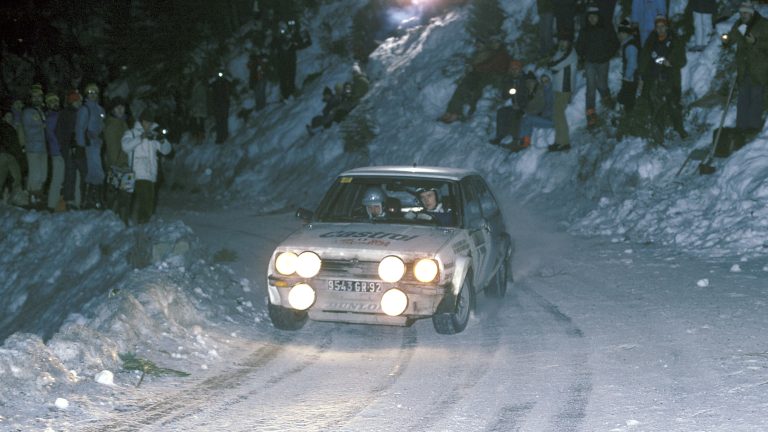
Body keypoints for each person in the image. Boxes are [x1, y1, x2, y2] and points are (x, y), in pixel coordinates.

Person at [638, 15, 688, 144]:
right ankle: (658, 137)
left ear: (666, 27)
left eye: (662, 26)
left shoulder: (675, 40)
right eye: (658, 27)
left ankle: (679, 129)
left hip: (671, 79)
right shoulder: (651, 41)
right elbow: (644, 60)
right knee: (657, 108)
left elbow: (682, 60)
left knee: (674, 105)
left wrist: (670, 61)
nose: (660, 29)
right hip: (654, 79)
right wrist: (642, 77)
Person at [439, 38, 511, 123]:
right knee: (464, 88)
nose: (494, 44)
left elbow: (489, 66)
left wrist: (476, 68)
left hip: (488, 77)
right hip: (481, 75)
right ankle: (452, 112)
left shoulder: (499, 54)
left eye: (496, 42)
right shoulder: (488, 53)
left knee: (469, 90)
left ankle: (456, 113)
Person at [121, 109, 172, 225]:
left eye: (149, 122)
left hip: (151, 173)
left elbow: (167, 151)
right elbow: (125, 146)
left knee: (147, 200)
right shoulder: (131, 133)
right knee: (146, 200)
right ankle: (143, 223)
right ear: (140, 121)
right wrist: (140, 138)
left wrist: (162, 140)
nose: (147, 124)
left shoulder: (154, 135)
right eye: (145, 121)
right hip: (137, 172)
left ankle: (138, 222)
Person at [724, 1, 768, 135]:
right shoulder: (739, 24)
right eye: (741, 12)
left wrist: (755, 42)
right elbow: (731, 38)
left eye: (745, 13)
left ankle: (753, 127)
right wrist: (726, 40)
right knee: (742, 98)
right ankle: (741, 127)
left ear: (751, 13)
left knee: (756, 98)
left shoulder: (763, 24)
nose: (743, 15)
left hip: (759, 68)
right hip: (744, 68)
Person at [576, 5, 619, 129]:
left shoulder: (606, 28)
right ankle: (590, 113)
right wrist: (582, 57)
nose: (592, 19)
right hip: (589, 62)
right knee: (591, 88)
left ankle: (607, 98)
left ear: (598, 17)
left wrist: (608, 54)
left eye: (594, 17)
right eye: (590, 17)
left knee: (602, 84)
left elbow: (615, 43)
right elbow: (579, 45)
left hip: (603, 62)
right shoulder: (585, 30)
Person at [76, 82, 106, 209]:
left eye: (95, 92)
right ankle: (93, 199)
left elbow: (103, 125)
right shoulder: (84, 109)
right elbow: (79, 128)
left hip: (98, 144)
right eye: (90, 92)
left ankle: (92, 199)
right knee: (96, 171)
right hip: (89, 144)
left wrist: (102, 138)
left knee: (95, 171)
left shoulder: (100, 109)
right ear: (86, 95)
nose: (93, 95)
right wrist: (81, 146)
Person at [548, 35, 578, 151]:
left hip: (565, 88)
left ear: (569, 42)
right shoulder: (560, 51)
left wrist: (552, 65)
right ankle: (558, 141)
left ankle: (564, 142)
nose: (562, 43)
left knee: (559, 115)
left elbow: (555, 65)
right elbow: (553, 63)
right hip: (557, 87)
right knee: (557, 115)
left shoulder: (571, 53)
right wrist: (552, 65)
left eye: (565, 41)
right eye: (561, 40)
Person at [489, 60, 528, 146]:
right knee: (502, 112)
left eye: (516, 69)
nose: (514, 71)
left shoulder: (525, 80)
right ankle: (500, 136)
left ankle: (515, 139)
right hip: (514, 105)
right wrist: (508, 91)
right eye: (512, 69)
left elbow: (528, 96)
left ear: (520, 69)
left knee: (516, 116)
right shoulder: (509, 80)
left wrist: (521, 106)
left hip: (524, 106)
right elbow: (505, 95)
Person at [513, 73, 555, 152]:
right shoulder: (540, 91)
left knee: (527, 119)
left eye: (546, 80)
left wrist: (526, 111)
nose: (545, 82)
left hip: (552, 120)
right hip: (545, 117)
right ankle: (521, 141)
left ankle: (524, 143)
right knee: (524, 119)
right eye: (543, 81)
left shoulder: (547, 90)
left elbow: (540, 106)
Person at [22, 84, 48, 208]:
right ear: (31, 98)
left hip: (43, 148)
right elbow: (27, 130)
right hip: (33, 147)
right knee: (35, 174)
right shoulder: (27, 112)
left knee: (43, 174)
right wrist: (41, 127)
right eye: (34, 96)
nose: (37, 99)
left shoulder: (41, 111)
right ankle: (33, 198)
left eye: (39, 96)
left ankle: (38, 196)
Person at [60, 90, 86, 210]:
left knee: (79, 174)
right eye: (76, 101)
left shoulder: (79, 113)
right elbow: (62, 132)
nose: (79, 103)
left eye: (79, 101)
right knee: (70, 174)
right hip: (70, 148)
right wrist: (67, 146)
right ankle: (69, 200)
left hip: (78, 147)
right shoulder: (67, 114)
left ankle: (79, 199)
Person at [103, 98, 130, 217]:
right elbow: (111, 148)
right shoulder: (111, 125)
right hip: (115, 166)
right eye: (117, 107)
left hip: (125, 164)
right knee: (113, 193)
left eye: (122, 107)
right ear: (112, 110)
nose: (120, 110)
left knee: (125, 195)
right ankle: (111, 218)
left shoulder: (124, 123)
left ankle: (122, 219)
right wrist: (115, 164)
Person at [0, 109, 28, 206]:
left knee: (15, 177)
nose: (10, 118)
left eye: (11, 116)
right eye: (8, 116)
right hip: (5, 155)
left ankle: (12, 198)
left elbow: (16, 144)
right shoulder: (4, 127)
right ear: (3, 118)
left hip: (11, 155)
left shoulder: (11, 128)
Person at [44, 93, 66, 212]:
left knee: (60, 177)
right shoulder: (51, 117)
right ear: (48, 105)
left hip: (60, 150)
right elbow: (51, 135)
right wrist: (61, 146)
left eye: (56, 101)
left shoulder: (59, 114)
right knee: (57, 178)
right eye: (51, 102)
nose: (55, 104)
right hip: (57, 151)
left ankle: (57, 203)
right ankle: (52, 205)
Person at [617, 19, 641, 114]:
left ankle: (629, 115)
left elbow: (632, 63)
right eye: (620, 33)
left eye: (623, 33)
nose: (621, 35)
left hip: (632, 77)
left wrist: (627, 77)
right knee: (628, 97)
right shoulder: (627, 43)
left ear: (628, 33)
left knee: (628, 97)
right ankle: (628, 113)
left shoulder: (630, 46)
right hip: (631, 77)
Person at [209, 71, 231, 144]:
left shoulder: (225, 82)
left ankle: (224, 136)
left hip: (223, 104)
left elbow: (228, 91)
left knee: (223, 121)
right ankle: (220, 137)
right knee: (219, 121)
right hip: (218, 105)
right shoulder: (214, 84)